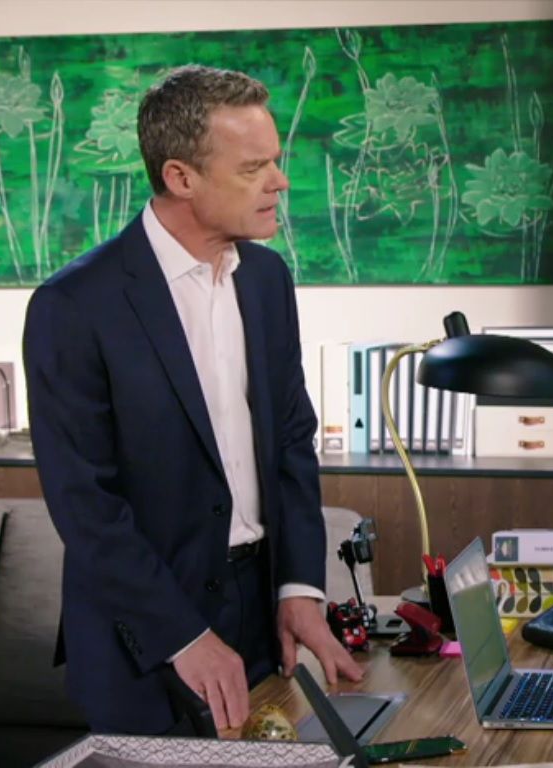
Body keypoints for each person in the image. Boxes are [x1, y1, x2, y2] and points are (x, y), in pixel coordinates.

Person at [23, 65, 362, 736]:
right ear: (181, 177)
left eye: (277, 161)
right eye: (253, 168)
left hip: (261, 611)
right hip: (142, 635)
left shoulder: (267, 279)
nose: (280, 182)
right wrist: (181, 634)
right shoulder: (73, 305)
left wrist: (299, 587)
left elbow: (292, 441)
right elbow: (85, 503)